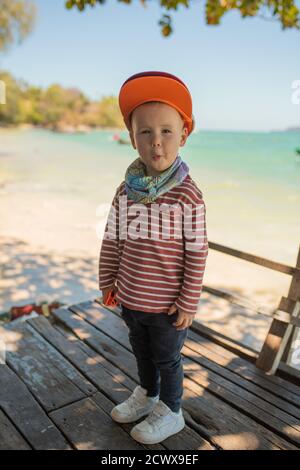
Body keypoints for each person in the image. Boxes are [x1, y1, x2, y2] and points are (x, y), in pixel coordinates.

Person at [99, 71, 209, 445]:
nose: (156, 143)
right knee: (141, 352)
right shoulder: (125, 190)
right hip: (132, 297)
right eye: (145, 132)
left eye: (166, 131)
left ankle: (172, 409)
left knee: (168, 359)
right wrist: (107, 280)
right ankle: (147, 394)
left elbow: (197, 252)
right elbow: (112, 238)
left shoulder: (187, 196)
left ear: (184, 134)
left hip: (167, 307)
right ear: (132, 138)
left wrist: (188, 300)